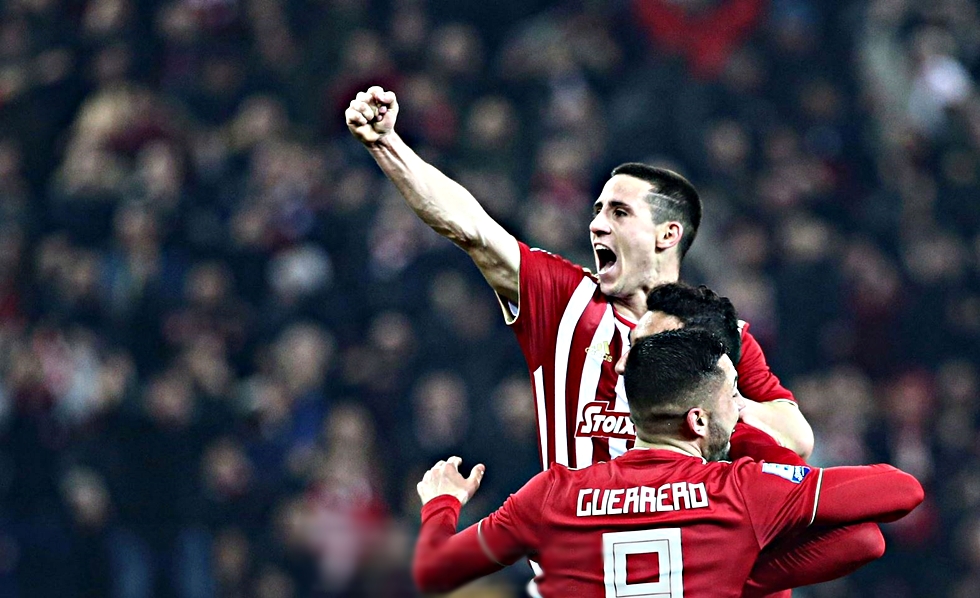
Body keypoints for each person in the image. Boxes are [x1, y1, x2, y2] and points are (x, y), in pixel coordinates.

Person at [345, 86, 813, 470]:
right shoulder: (565, 299)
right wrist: (388, 145)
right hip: (580, 554)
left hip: (685, 553)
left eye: (619, 212)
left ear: (667, 234)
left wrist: (718, 393)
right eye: (597, 211)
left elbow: (797, 439)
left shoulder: (722, 336)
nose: (597, 225)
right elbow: (471, 228)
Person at [412, 329, 924, 597]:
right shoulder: (740, 490)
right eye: (733, 398)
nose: (740, 407)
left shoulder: (553, 493)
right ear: (698, 420)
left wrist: (443, 503)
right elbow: (899, 495)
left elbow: (436, 570)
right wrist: (737, 576)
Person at [623, 282, 886, 597]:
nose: (624, 364)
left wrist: (726, 408)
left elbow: (800, 438)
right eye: (632, 345)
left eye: (647, 348)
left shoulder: (748, 453)